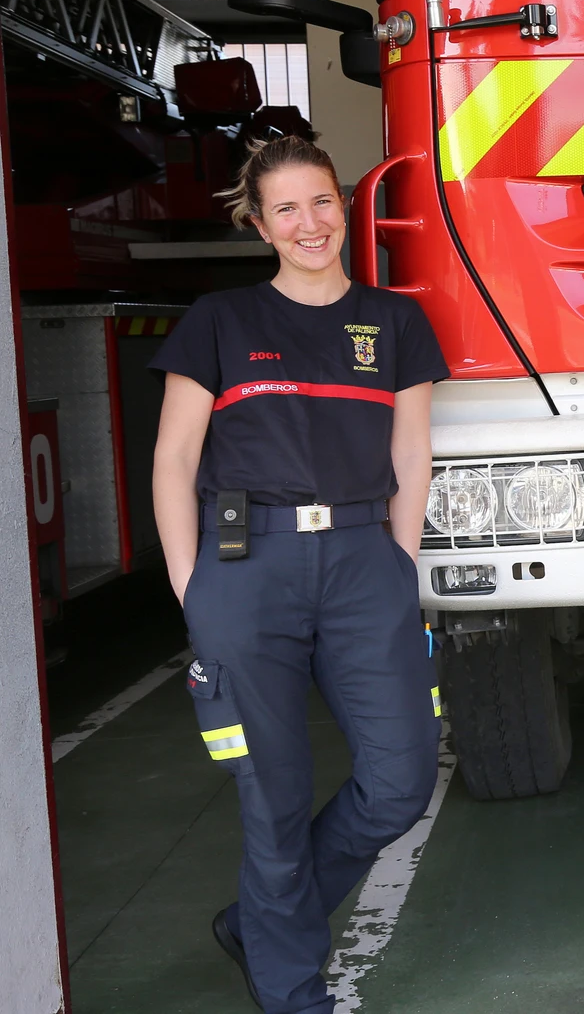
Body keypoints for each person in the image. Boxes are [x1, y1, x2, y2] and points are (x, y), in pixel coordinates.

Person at [150, 135, 450, 1011]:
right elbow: (174, 460)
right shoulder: (219, 320)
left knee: (400, 779)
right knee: (272, 795)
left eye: (322, 201)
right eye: (286, 208)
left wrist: (399, 561)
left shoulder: (394, 322)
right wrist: (191, 586)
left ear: (344, 207)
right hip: (249, 568)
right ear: (260, 224)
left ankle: (261, 922)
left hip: (365, 561)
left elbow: (412, 450)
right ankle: (292, 991)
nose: (309, 223)